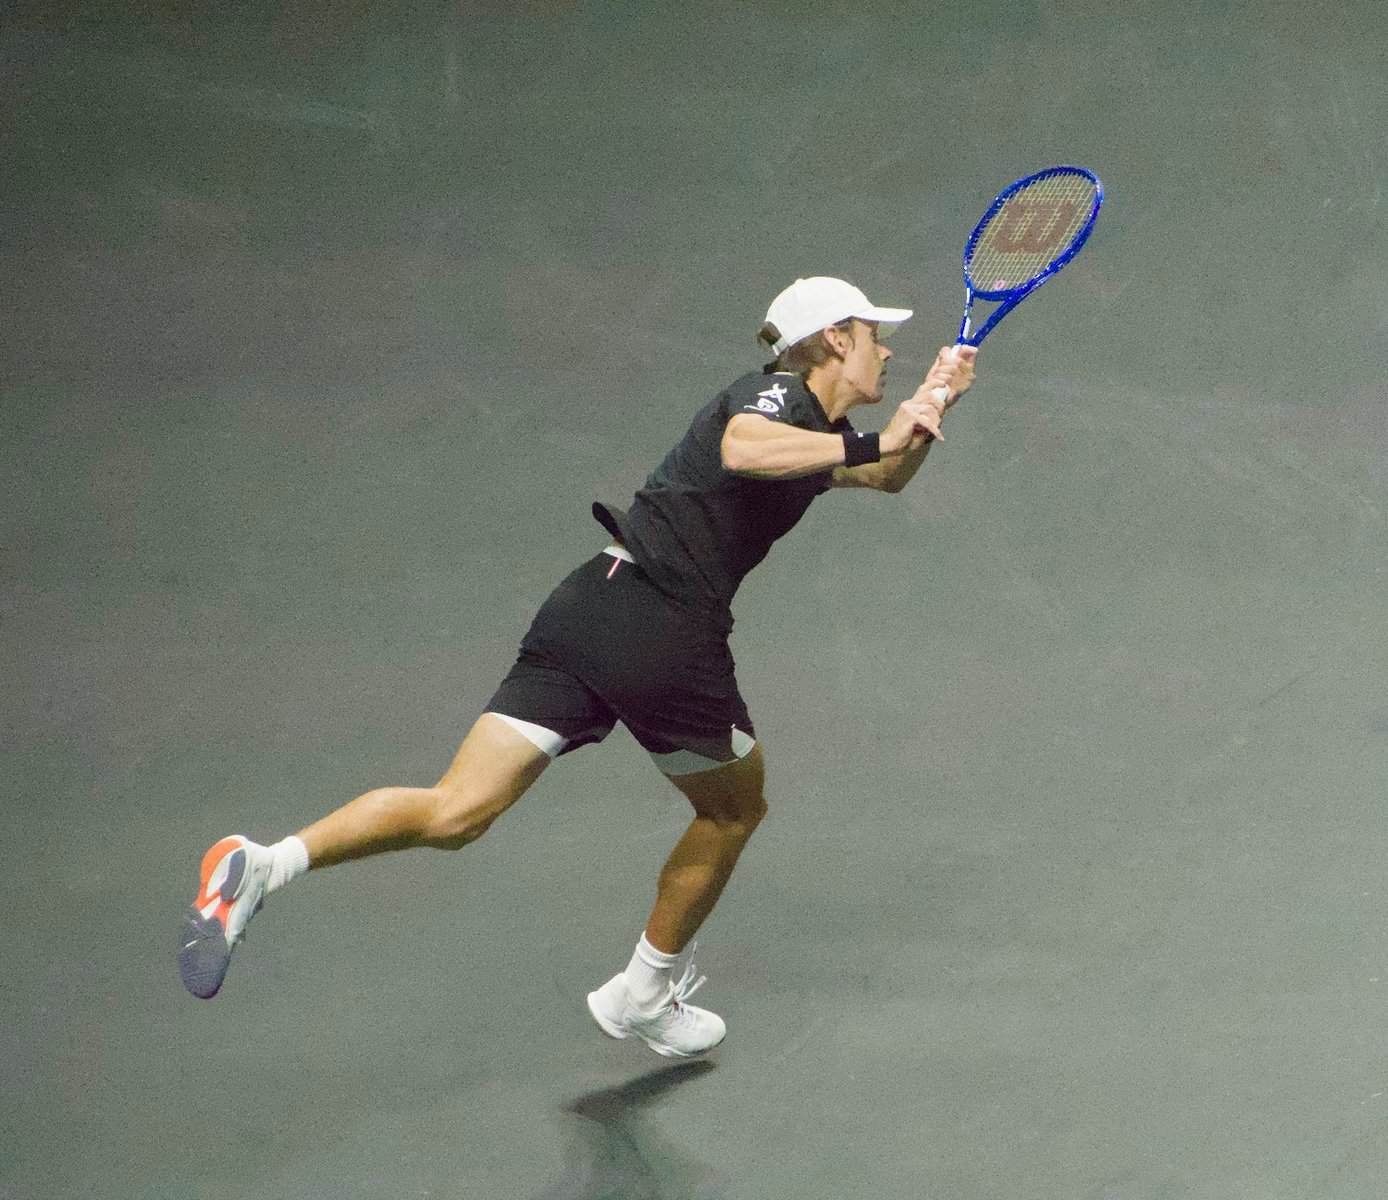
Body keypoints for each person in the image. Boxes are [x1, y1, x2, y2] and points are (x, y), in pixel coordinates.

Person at [179, 275, 977, 1058]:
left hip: (588, 608)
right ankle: (643, 992)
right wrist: (878, 435)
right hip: (663, 630)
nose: (887, 353)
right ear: (835, 338)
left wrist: (932, 406)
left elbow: (880, 472)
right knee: (733, 811)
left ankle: (261, 866)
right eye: (876, 335)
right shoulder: (772, 398)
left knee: (458, 811)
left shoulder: (811, 434)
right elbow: (745, 449)